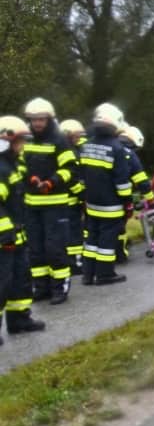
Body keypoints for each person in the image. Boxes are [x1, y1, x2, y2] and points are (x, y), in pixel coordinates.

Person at [23, 97, 77, 304]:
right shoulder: (26, 139)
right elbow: (20, 164)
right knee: (35, 249)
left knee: (55, 248)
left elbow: (70, 170)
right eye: (34, 119)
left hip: (55, 204)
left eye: (41, 119)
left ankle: (59, 288)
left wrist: (51, 182)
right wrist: (29, 178)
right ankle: (41, 287)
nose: (37, 123)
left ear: (49, 119)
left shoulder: (59, 140)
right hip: (31, 205)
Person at [0, 116, 47, 339]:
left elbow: (21, 178)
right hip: (4, 238)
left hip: (16, 234)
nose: (24, 145)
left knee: (20, 279)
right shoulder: (1, 168)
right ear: (7, 141)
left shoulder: (12, 164)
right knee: (2, 282)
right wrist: (5, 233)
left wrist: (33, 180)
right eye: (21, 141)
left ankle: (19, 319)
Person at [78, 103, 133, 286]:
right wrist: (128, 201)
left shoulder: (86, 145)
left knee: (91, 238)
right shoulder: (117, 148)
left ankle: (88, 275)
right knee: (107, 241)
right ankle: (105, 274)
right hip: (111, 205)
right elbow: (122, 182)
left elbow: (82, 176)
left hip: (91, 203)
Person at [117, 125, 154, 263]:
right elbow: (141, 180)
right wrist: (151, 199)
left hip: (94, 196)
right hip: (118, 198)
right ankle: (119, 255)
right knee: (118, 227)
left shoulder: (109, 146)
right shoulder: (129, 154)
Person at [59, 119, 87, 275]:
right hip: (71, 201)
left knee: (67, 232)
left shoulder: (64, 149)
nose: (79, 138)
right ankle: (74, 263)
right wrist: (82, 195)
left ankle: (71, 261)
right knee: (74, 233)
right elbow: (72, 179)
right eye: (76, 136)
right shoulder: (70, 153)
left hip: (63, 201)